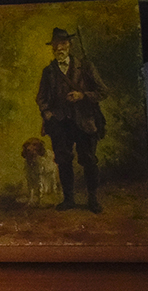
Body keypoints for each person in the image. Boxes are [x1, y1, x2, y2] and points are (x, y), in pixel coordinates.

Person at [35, 27, 108, 213]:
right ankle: (69, 200)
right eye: (56, 44)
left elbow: (103, 91)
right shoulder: (48, 71)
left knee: (89, 160)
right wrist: (47, 114)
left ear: (70, 45)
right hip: (60, 124)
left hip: (84, 121)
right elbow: (41, 98)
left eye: (63, 43)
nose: (60, 47)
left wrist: (82, 95)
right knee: (63, 161)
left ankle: (93, 200)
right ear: (52, 48)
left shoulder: (85, 66)